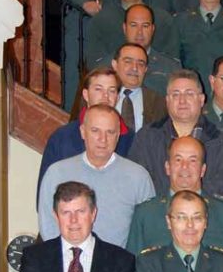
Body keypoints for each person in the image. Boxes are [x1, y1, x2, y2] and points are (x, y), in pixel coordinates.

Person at [38, 105, 155, 247]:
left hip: (119, 265)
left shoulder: (138, 177)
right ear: (82, 132)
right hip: (67, 264)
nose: (102, 139)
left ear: (118, 135)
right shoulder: (57, 173)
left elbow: (147, 230)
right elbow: (48, 226)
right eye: (95, 131)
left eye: (110, 132)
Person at [127, 136, 223, 264]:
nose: (185, 166)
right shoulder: (146, 214)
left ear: (202, 170)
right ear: (167, 167)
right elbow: (132, 268)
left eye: (193, 160)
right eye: (178, 160)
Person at [129, 69, 223, 198]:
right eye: (176, 94)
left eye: (189, 94)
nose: (182, 101)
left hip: (206, 215)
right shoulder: (146, 138)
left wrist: (188, 209)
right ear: (167, 100)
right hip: (157, 214)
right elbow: (137, 185)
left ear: (201, 99)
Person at [16, 182, 134, 272]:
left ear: (93, 214)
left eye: (81, 211)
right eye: (66, 213)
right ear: (56, 216)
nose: (73, 220)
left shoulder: (121, 261)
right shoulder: (34, 258)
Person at [36, 68, 134, 207]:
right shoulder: (62, 138)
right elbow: (45, 197)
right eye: (98, 89)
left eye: (112, 91)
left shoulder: (130, 139)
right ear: (86, 94)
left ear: (118, 97)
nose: (105, 96)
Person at [54, 0, 129, 110]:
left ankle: (112, 112)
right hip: (78, 18)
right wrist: (82, 3)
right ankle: (70, 113)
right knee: (73, 69)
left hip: (111, 23)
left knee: (111, 68)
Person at [91, 4, 181, 95]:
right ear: (124, 28)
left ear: (153, 29)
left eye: (145, 26)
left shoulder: (170, 68)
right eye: (133, 25)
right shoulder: (104, 67)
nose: (139, 32)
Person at [111, 42, 167, 131]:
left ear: (145, 69)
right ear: (115, 65)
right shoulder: (103, 97)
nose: (134, 68)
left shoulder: (159, 103)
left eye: (140, 64)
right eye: (128, 62)